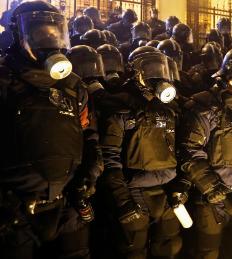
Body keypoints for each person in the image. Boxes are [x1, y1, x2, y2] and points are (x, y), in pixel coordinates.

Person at [0, 1, 103, 257]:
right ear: (16, 36)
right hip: (16, 213)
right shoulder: (4, 82)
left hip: (67, 206)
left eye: (55, 33)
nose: (49, 40)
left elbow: (89, 137)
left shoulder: (73, 86)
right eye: (39, 33)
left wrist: (87, 181)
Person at [178, 47, 232, 259]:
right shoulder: (205, 105)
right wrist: (210, 186)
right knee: (208, 251)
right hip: (212, 196)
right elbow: (190, 150)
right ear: (229, 72)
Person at [99, 46, 182, 258]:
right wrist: (122, 199)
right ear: (137, 73)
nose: (157, 77)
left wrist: (181, 186)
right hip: (134, 190)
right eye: (151, 70)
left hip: (167, 187)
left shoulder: (170, 109)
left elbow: (179, 151)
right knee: (133, 250)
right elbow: (109, 157)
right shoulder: (121, 106)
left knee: (169, 247)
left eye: (161, 70)